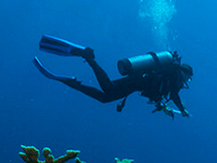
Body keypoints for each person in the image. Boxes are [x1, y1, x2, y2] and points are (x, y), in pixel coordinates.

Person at [34, 35, 193, 118]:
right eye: (188, 77)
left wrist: (162, 106)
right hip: (138, 80)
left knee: (105, 98)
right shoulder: (175, 75)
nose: (187, 81)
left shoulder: (172, 75)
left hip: (138, 83)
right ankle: (89, 57)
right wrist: (183, 110)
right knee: (108, 88)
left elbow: (160, 91)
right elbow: (174, 94)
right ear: (185, 72)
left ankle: (71, 82)